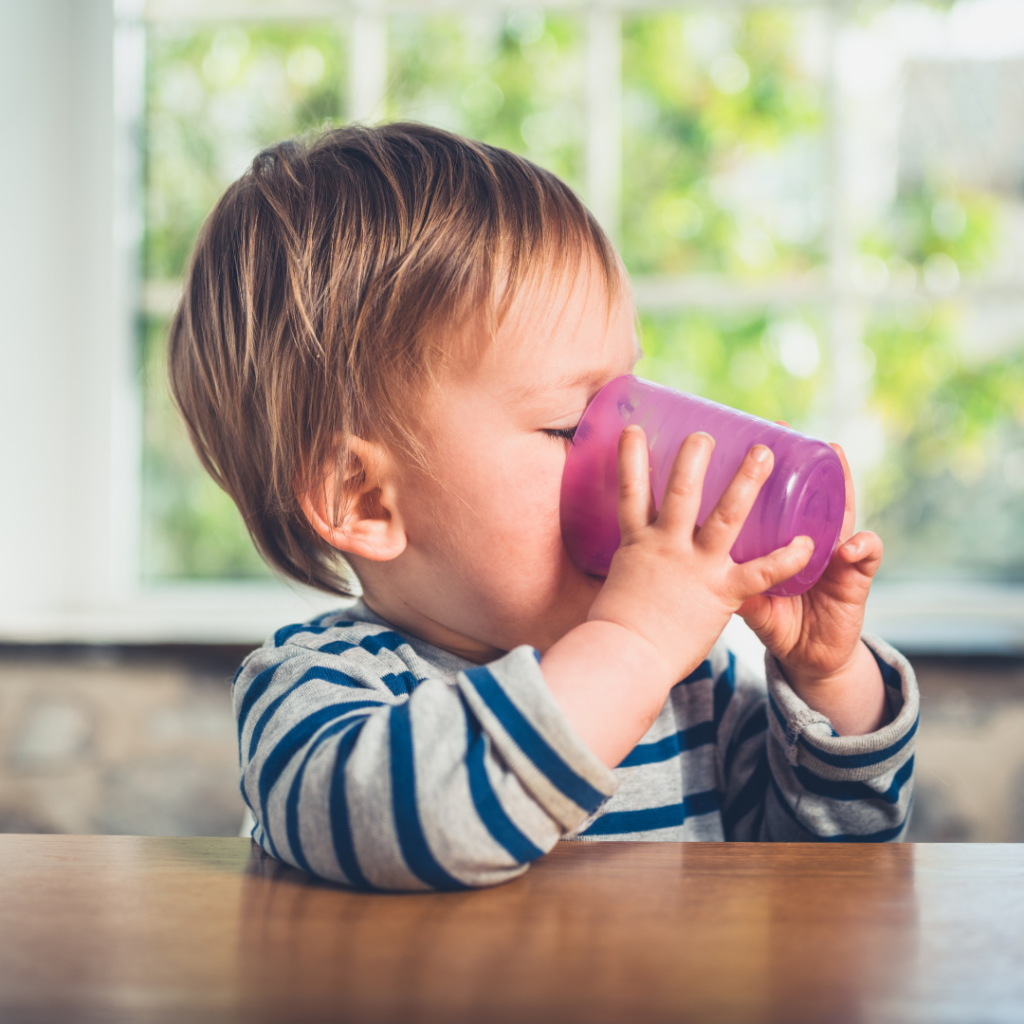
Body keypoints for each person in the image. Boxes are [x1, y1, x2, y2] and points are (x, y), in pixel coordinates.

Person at [168, 123, 918, 890]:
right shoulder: (315, 693)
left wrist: (830, 680)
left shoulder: (698, 690)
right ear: (363, 498)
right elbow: (423, 829)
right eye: (572, 426)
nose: (632, 460)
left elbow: (837, 861)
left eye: (631, 403)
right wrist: (634, 644)